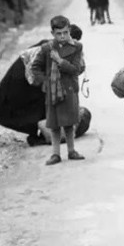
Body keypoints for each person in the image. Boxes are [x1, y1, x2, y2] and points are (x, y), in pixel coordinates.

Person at [0, 24, 83, 146]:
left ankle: (39, 134)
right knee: (36, 105)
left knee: (41, 104)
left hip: (24, 77)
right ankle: (38, 136)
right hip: (23, 79)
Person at [31, 16, 86, 165]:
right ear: (52, 33)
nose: (62, 36)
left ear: (69, 30)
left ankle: (71, 151)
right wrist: (45, 82)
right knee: (54, 124)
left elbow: (75, 69)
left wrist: (60, 61)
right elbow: (35, 67)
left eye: (65, 32)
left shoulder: (77, 47)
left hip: (69, 89)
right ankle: (55, 154)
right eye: (59, 33)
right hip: (53, 91)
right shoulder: (47, 48)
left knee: (69, 123)